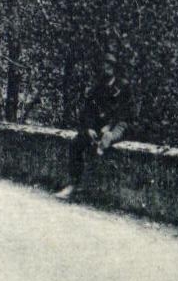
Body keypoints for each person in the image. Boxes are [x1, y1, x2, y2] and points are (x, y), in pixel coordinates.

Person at [56, 48, 131, 199]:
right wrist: (89, 128)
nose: (106, 69)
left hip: (117, 124)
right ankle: (73, 184)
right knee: (77, 143)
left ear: (114, 68)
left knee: (110, 137)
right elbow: (88, 110)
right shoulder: (98, 86)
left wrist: (109, 126)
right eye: (104, 65)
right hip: (99, 126)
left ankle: (91, 190)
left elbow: (125, 112)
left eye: (109, 66)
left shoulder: (123, 87)